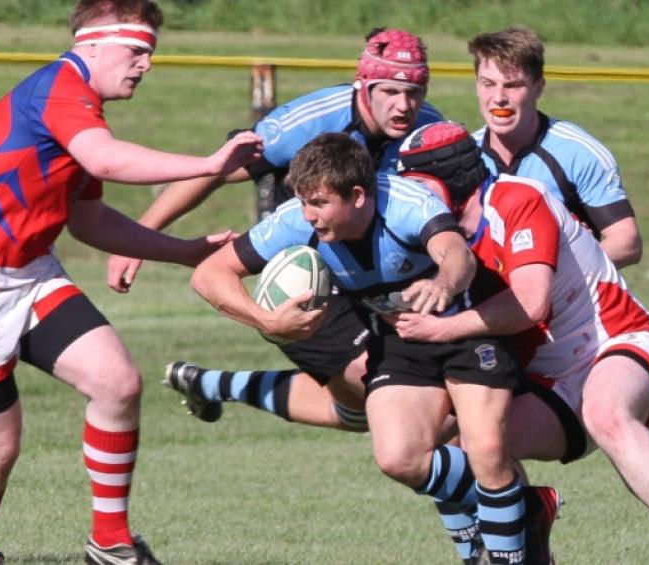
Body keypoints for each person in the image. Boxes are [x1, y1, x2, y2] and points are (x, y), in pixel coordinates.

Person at [0, 1, 261, 563]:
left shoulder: (79, 107)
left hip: (30, 275)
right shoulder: (60, 92)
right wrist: (209, 163)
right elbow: (107, 158)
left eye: (151, 53)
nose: (146, 64)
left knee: (118, 383)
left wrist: (184, 252)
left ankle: (110, 542)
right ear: (91, 44)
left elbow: (90, 219)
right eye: (137, 50)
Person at [187, 133, 542, 564]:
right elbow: (210, 274)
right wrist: (266, 320)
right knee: (399, 457)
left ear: (358, 196)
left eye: (319, 203)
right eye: (303, 202)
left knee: (484, 448)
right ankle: (520, 505)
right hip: (402, 339)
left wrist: (442, 284)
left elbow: (456, 256)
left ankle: (507, 546)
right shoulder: (295, 222)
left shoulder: (407, 205)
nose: (308, 216)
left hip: (468, 329)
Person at [391, 121, 649, 565]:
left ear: (445, 180)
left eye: (415, 186)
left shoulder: (517, 199)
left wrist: (442, 329)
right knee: (470, 446)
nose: (407, 200)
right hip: (547, 382)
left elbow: (531, 304)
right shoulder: (433, 236)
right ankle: (525, 525)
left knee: (605, 412)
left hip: (615, 340)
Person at [143, 27, 445, 435]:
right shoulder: (311, 122)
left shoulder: (430, 129)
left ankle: (209, 384)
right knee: (387, 393)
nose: (403, 105)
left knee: (382, 407)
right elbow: (216, 168)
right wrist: (141, 237)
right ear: (365, 83)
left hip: (380, 268)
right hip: (309, 264)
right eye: (389, 91)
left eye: (414, 92)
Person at [468, 26, 642, 269]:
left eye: (513, 85)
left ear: (538, 87)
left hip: (567, 299)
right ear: (477, 85)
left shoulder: (578, 152)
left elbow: (627, 242)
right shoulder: (464, 156)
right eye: (488, 84)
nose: (499, 97)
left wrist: (558, 271)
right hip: (490, 299)